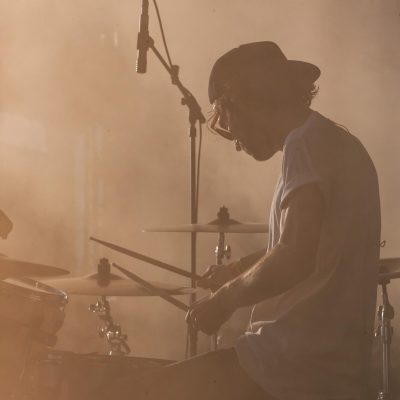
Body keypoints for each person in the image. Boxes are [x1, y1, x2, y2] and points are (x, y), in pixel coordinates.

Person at [101, 41, 380, 400]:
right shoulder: (335, 141)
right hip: (331, 370)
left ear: (245, 100)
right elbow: (308, 246)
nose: (234, 140)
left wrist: (223, 301)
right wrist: (236, 271)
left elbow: (295, 255)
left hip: (293, 368)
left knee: (140, 392)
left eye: (226, 120)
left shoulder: (305, 146)